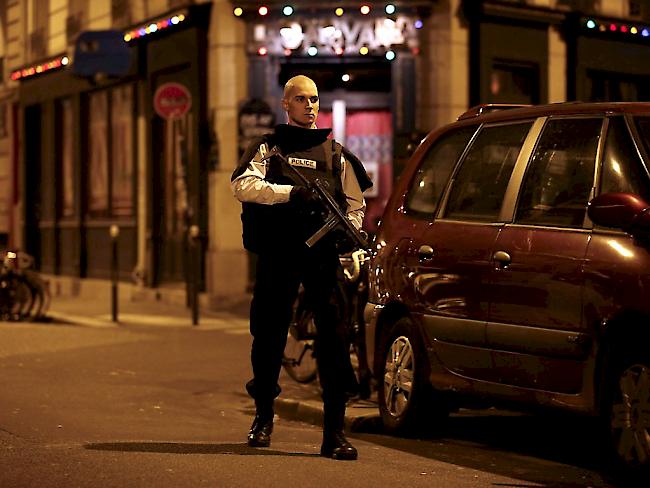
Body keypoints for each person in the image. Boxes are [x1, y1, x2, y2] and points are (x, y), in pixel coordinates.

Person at [231, 75, 372, 460]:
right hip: (278, 253)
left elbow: (356, 205)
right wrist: (291, 192)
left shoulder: (336, 154)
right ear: (285, 104)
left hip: (321, 258)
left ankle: (334, 432)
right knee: (269, 335)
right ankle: (262, 418)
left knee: (335, 338)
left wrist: (350, 232)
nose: (310, 106)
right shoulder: (268, 147)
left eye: (314, 99)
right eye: (301, 99)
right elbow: (242, 185)